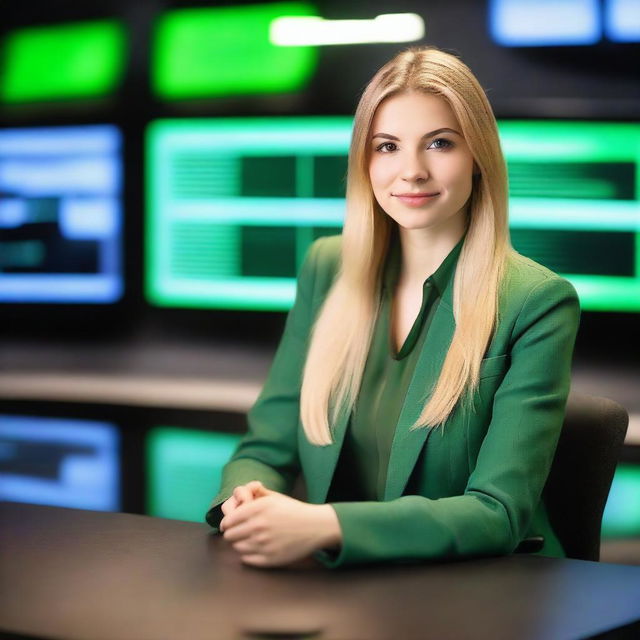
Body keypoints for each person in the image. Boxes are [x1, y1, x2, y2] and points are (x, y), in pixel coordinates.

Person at [204, 45, 581, 569]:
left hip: (480, 593)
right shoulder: (326, 267)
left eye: (440, 143)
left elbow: (499, 513)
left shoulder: (536, 301)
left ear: (479, 158)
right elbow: (265, 450)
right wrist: (246, 500)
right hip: (341, 588)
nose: (412, 172)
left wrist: (325, 525)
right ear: (365, 161)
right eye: (387, 146)